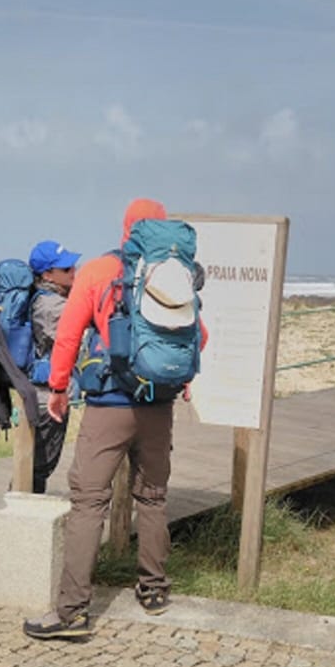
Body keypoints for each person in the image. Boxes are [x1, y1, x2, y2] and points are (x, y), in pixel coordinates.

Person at [23, 198, 205, 641]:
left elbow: (67, 334)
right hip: (158, 405)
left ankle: (72, 612)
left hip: (109, 404)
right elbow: (200, 335)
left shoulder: (100, 271)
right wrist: (172, 374)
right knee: (153, 497)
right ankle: (154, 590)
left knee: (88, 501)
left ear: (126, 228)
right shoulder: (175, 271)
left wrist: (60, 390)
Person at [27, 240, 80, 492]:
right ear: (47, 274)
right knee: (40, 467)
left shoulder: (51, 299)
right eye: (66, 268)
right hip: (47, 396)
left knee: (38, 467)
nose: (74, 271)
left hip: (46, 393)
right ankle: (22, 521)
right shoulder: (52, 306)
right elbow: (78, 332)